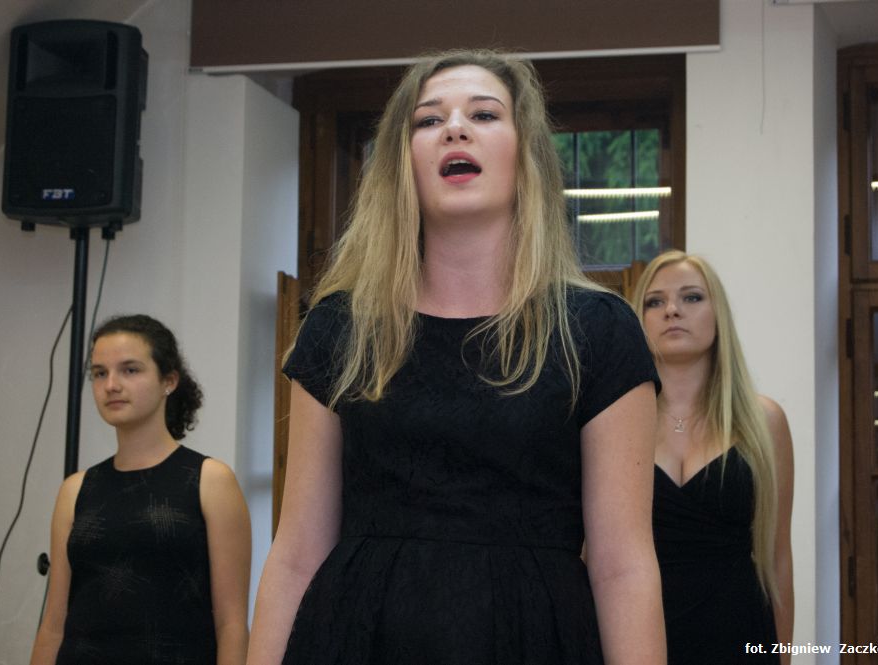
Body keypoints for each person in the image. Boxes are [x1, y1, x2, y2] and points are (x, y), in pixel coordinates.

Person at [247, 49, 665, 665]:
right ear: (402, 163)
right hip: (355, 638)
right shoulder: (340, 326)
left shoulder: (598, 331)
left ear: (526, 155)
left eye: (484, 114)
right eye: (429, 120)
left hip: (533, 639)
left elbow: (623, 566)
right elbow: (295, 554)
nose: (455, 129)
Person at [29, 314, 252, 665]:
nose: (111, 385)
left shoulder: (211, 480)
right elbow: (54, 625)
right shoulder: (75, 490)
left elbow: (232, 624)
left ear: (169, 380)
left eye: (130, 370)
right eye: (99, 373)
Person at [630, 251, 794, 664]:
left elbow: (777, 559)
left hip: (739, 632)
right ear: (638, 320)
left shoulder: (764, 422)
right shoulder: (615, 423)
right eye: (654, 301)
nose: (672, 310)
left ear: (718, 313)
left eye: (691, 297)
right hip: (639, 633)